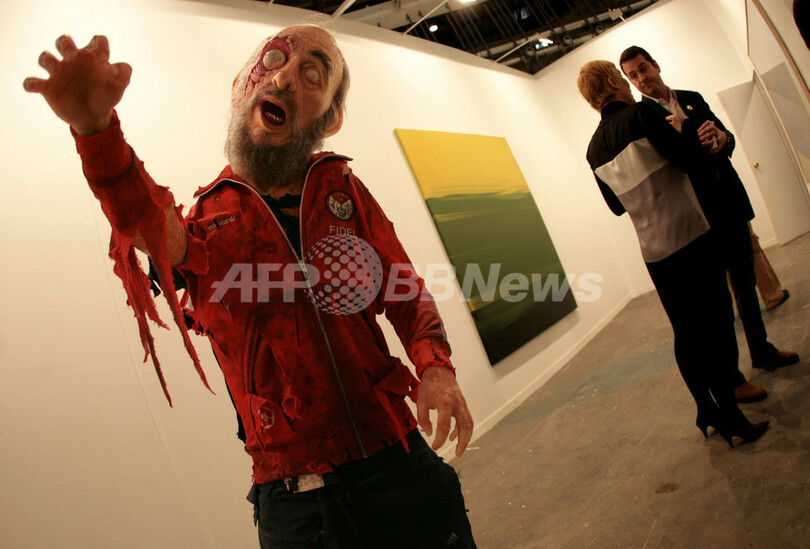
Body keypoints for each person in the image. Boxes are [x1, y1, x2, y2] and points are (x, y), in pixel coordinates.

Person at [24, 26, 477, 549]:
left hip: (397, 462)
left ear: (330, 119)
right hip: (296, 500)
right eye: (274, 59)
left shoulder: (344, 191)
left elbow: (404, 289)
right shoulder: (205, 220)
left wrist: (436, 368)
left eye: (312, 74)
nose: (282, 78)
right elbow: (148, 226)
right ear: (242, 82)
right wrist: (96, 131)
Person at [578, 60, 769, 447]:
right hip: (691, 235)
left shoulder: (593, 149)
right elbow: (690, 160)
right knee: (714, 327)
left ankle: (706, 410)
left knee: (686, 332)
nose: (631, 83)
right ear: (613, 82)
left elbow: (616, 206)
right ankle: (733, 419)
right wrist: (683, 131)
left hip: (654, 252)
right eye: (624, 77)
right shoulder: (642, 113)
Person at [619, 46, 799, 404]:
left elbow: (723, 135)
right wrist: (691, 135)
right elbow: (678, 163)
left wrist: (722, 141)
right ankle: (733, 379)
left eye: (643, 68)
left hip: (729, 202)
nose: (642, 79)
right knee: (718, 306)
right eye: (633, 76)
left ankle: (761, 350)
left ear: (656, 65)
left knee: (746, 283)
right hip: (699, 219)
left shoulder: (691, 97)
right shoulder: (645, 117)